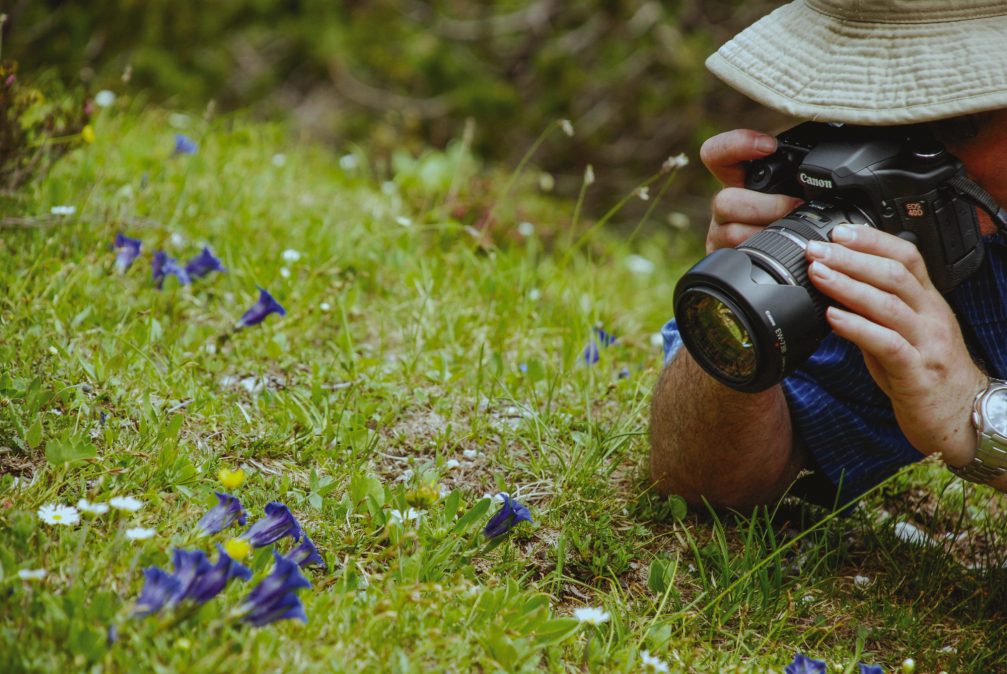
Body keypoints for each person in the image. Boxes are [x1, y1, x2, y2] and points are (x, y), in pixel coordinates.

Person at [649, 0, 1007, 510]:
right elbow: (710, 485)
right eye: (863, 110)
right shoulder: (914, 234)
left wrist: (980, 413)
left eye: (959, 119)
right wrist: (747, 297)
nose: (892, 160)